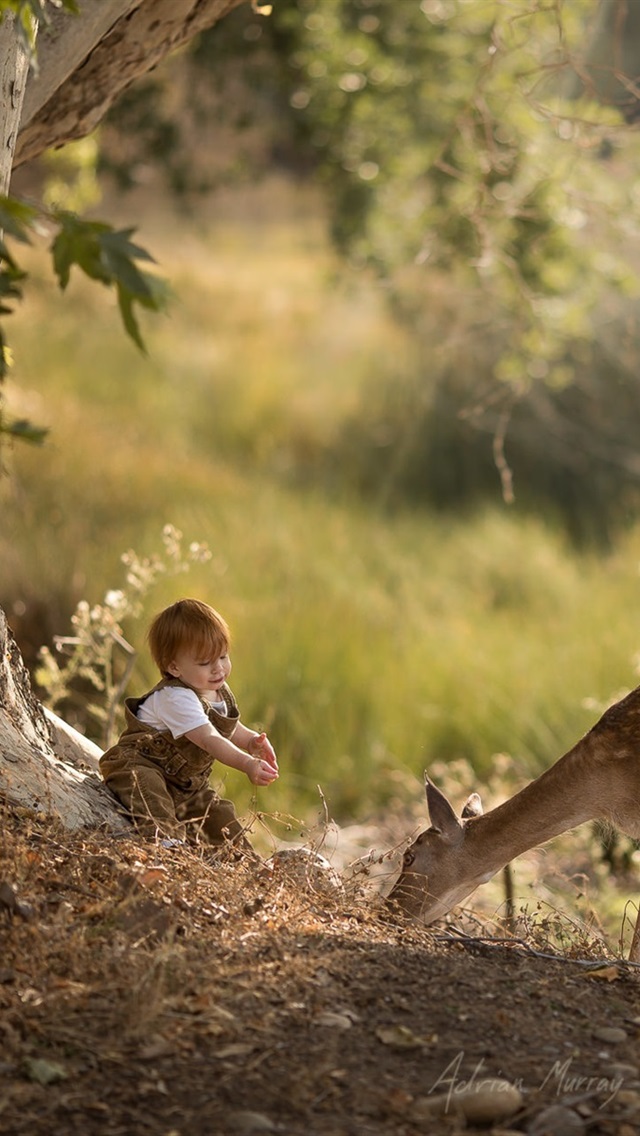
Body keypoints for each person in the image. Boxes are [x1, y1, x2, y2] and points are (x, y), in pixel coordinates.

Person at [99, 598, 278, 851]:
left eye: (223, 656)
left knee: (219, 816)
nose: (218, 669)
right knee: (149, 792)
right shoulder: (175, 697)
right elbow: (209, 738)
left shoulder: (216, 690)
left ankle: (243, 863)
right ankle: (169, 848)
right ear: (174, 667)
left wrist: (251, 741)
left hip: (186, 786)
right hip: (139, 767)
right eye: (205, 663)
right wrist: (246, 763)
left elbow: (228, 729)